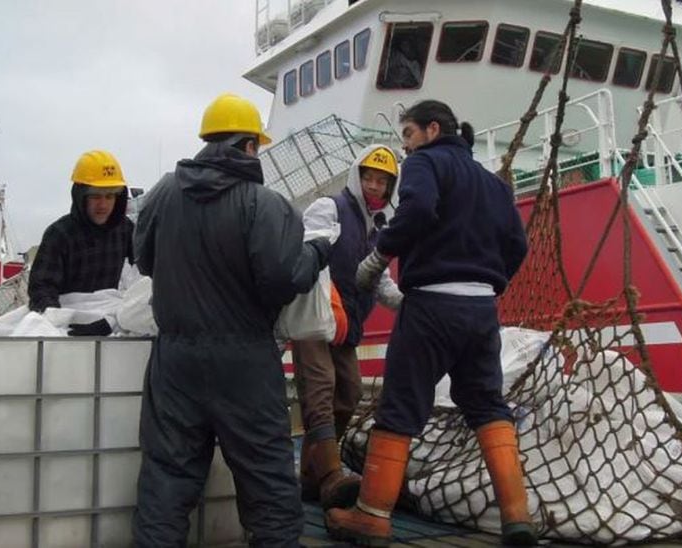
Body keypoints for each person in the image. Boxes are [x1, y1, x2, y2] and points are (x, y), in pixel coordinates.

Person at [325, 100, 533, 546]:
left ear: (431, 130)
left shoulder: (425, 163)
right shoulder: (494, 184)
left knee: (400, 407)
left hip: (432, 307)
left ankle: (372, 517)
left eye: (407, 135)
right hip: (481, 312)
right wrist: (489, 285)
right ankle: (517, 517)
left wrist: (379, 256)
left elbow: (417, 211)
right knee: (487, 406)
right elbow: (518, 244)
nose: (405, 147)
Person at [131, 93, 331, 547]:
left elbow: (144, 260)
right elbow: (283, 279)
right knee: (267, 482)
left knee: (166, 477)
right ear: (247, 147)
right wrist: (317, 252)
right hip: (245, 360)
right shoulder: (264, 204)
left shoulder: (163, 193)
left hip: (175, 361)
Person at [293, 145, 403, 510]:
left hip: (345, 325)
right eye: (369, 177)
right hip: (314, 317)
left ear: (390, 187)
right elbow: (308, 249)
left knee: (351, 392)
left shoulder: (379, 227)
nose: (374, 185)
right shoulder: (329, 208)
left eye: (382, 181)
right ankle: (330, 475)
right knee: (320, 388)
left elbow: (381, 282)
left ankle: (310, 478)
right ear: (357, 177)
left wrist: (409, 303)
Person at [27, 150, 134, 336]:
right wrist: (62, 323)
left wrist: (112, 321)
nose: (103, 204)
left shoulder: (126, 230)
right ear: (80, 196)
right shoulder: (59, 234)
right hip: (68, 325)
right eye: (95, 196)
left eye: (110, 197)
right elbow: (42, 288)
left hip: (111, 322)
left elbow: (146, 280)